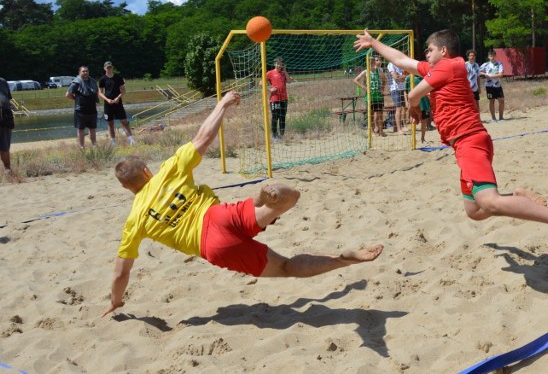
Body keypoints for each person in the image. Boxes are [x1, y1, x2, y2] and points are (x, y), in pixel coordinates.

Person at [101, 90, 384, 318]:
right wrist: (222, 104)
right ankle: (263, 199)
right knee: (290, 198)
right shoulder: (167, 170)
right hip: (220, 215)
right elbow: (203, 137)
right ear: (147, 172)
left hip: (213, 246)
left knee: (285, 267)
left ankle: (341, 260)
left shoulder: (134, 220)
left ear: (127, 188)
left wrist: (116, 301)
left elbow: (120, 273)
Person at [354, 28, 548, 243]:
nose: (426, 54)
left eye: (430, 50)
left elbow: (414, 93)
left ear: (444, 50)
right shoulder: (439, 68)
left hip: (470, 140)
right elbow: (402, 60)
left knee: (490, 201)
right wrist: (374, 43)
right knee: (476, 211)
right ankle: (519, 195)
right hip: (466, 145)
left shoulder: (450, 65)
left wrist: (414, 106)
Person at [98, 61, 135, 146]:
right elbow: (100, 93)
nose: (109, 68)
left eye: (110, 67)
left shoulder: (118, 77)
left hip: (118, 103)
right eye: (107, 67)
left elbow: (123, 90)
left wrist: (118, 98)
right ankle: (113, 142)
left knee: (124, 121)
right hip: (108, 104)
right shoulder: (102, 79)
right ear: (104, 68)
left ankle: (131, 140)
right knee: (110, 123)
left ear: (112, 67)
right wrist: (107, 100)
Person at [66, 66, 99, 149]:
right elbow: (68, 95)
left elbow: (96, 92)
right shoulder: (76, 82)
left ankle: (94, 145)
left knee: (92, 128)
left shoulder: (93, 81)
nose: (85, 73)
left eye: (87, 71)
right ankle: (82, 147)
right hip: (80, 110)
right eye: (83, 71)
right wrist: (77, 100)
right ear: (79, 72)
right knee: (81, 129)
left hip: (92, 109)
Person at [353, 55, 387, 137]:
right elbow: (355, 80)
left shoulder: (379, 70)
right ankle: (371, 132)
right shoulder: (365, 72)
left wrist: (382, 88)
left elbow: (384, 80)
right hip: (370, 96)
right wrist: (364, 87)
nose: (371, 63)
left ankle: (381, 131)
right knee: (371, 114)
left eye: (372, 61)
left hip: (378, 95)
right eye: (370, 62)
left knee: (380, 114)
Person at [263, 57, 293, 140]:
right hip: (275, 99)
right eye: (277, 63)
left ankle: (282, 135)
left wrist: (285, 71)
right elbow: (261, 83)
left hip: (284, 99)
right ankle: (274, 135)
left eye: (280, 63)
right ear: (274, 64)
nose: (279, 65)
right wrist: (270, 89)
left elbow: (290, 81)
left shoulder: (284, 73)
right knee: (275, 116)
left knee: (282, 117)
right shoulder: (270, 73)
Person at [404, 74, 432, 143]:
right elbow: (405, 91)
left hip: (424, 103)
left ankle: (422, 138)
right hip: (413, 103)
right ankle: (413, 139)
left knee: (424, 121)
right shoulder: (409, 78)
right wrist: (406, 101)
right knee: (413, 119)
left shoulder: (426, 77)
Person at [479, 50, 505, 122]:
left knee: (501, 100)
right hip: (489, 86)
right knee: (491, 101)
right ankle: (493, 118)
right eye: (490, 56)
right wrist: (484, 74)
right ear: (488, 57)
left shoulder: (499, 64)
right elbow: (478, 70)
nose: (492, 57)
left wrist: (491, 76)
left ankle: (501, 117)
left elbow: (501, 74)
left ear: (495, 56)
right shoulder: (485, 64)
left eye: (493, 55)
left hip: (497, 85)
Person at [387, 61, 407, 134]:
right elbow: (396, 78)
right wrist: (401, 77)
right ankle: (399, 129)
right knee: (398, 109)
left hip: (401, 88)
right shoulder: (391, 64)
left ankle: (397, 128)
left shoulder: (400, 65)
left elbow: (404, 78)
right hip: (395, 89)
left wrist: (400, 77)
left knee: (403, 108)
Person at [0, 77, 15, 172]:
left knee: (5, 146)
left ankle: (7, 170)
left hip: (5, 118)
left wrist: (10, 106)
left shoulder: (2, 81)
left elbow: (8, 98)